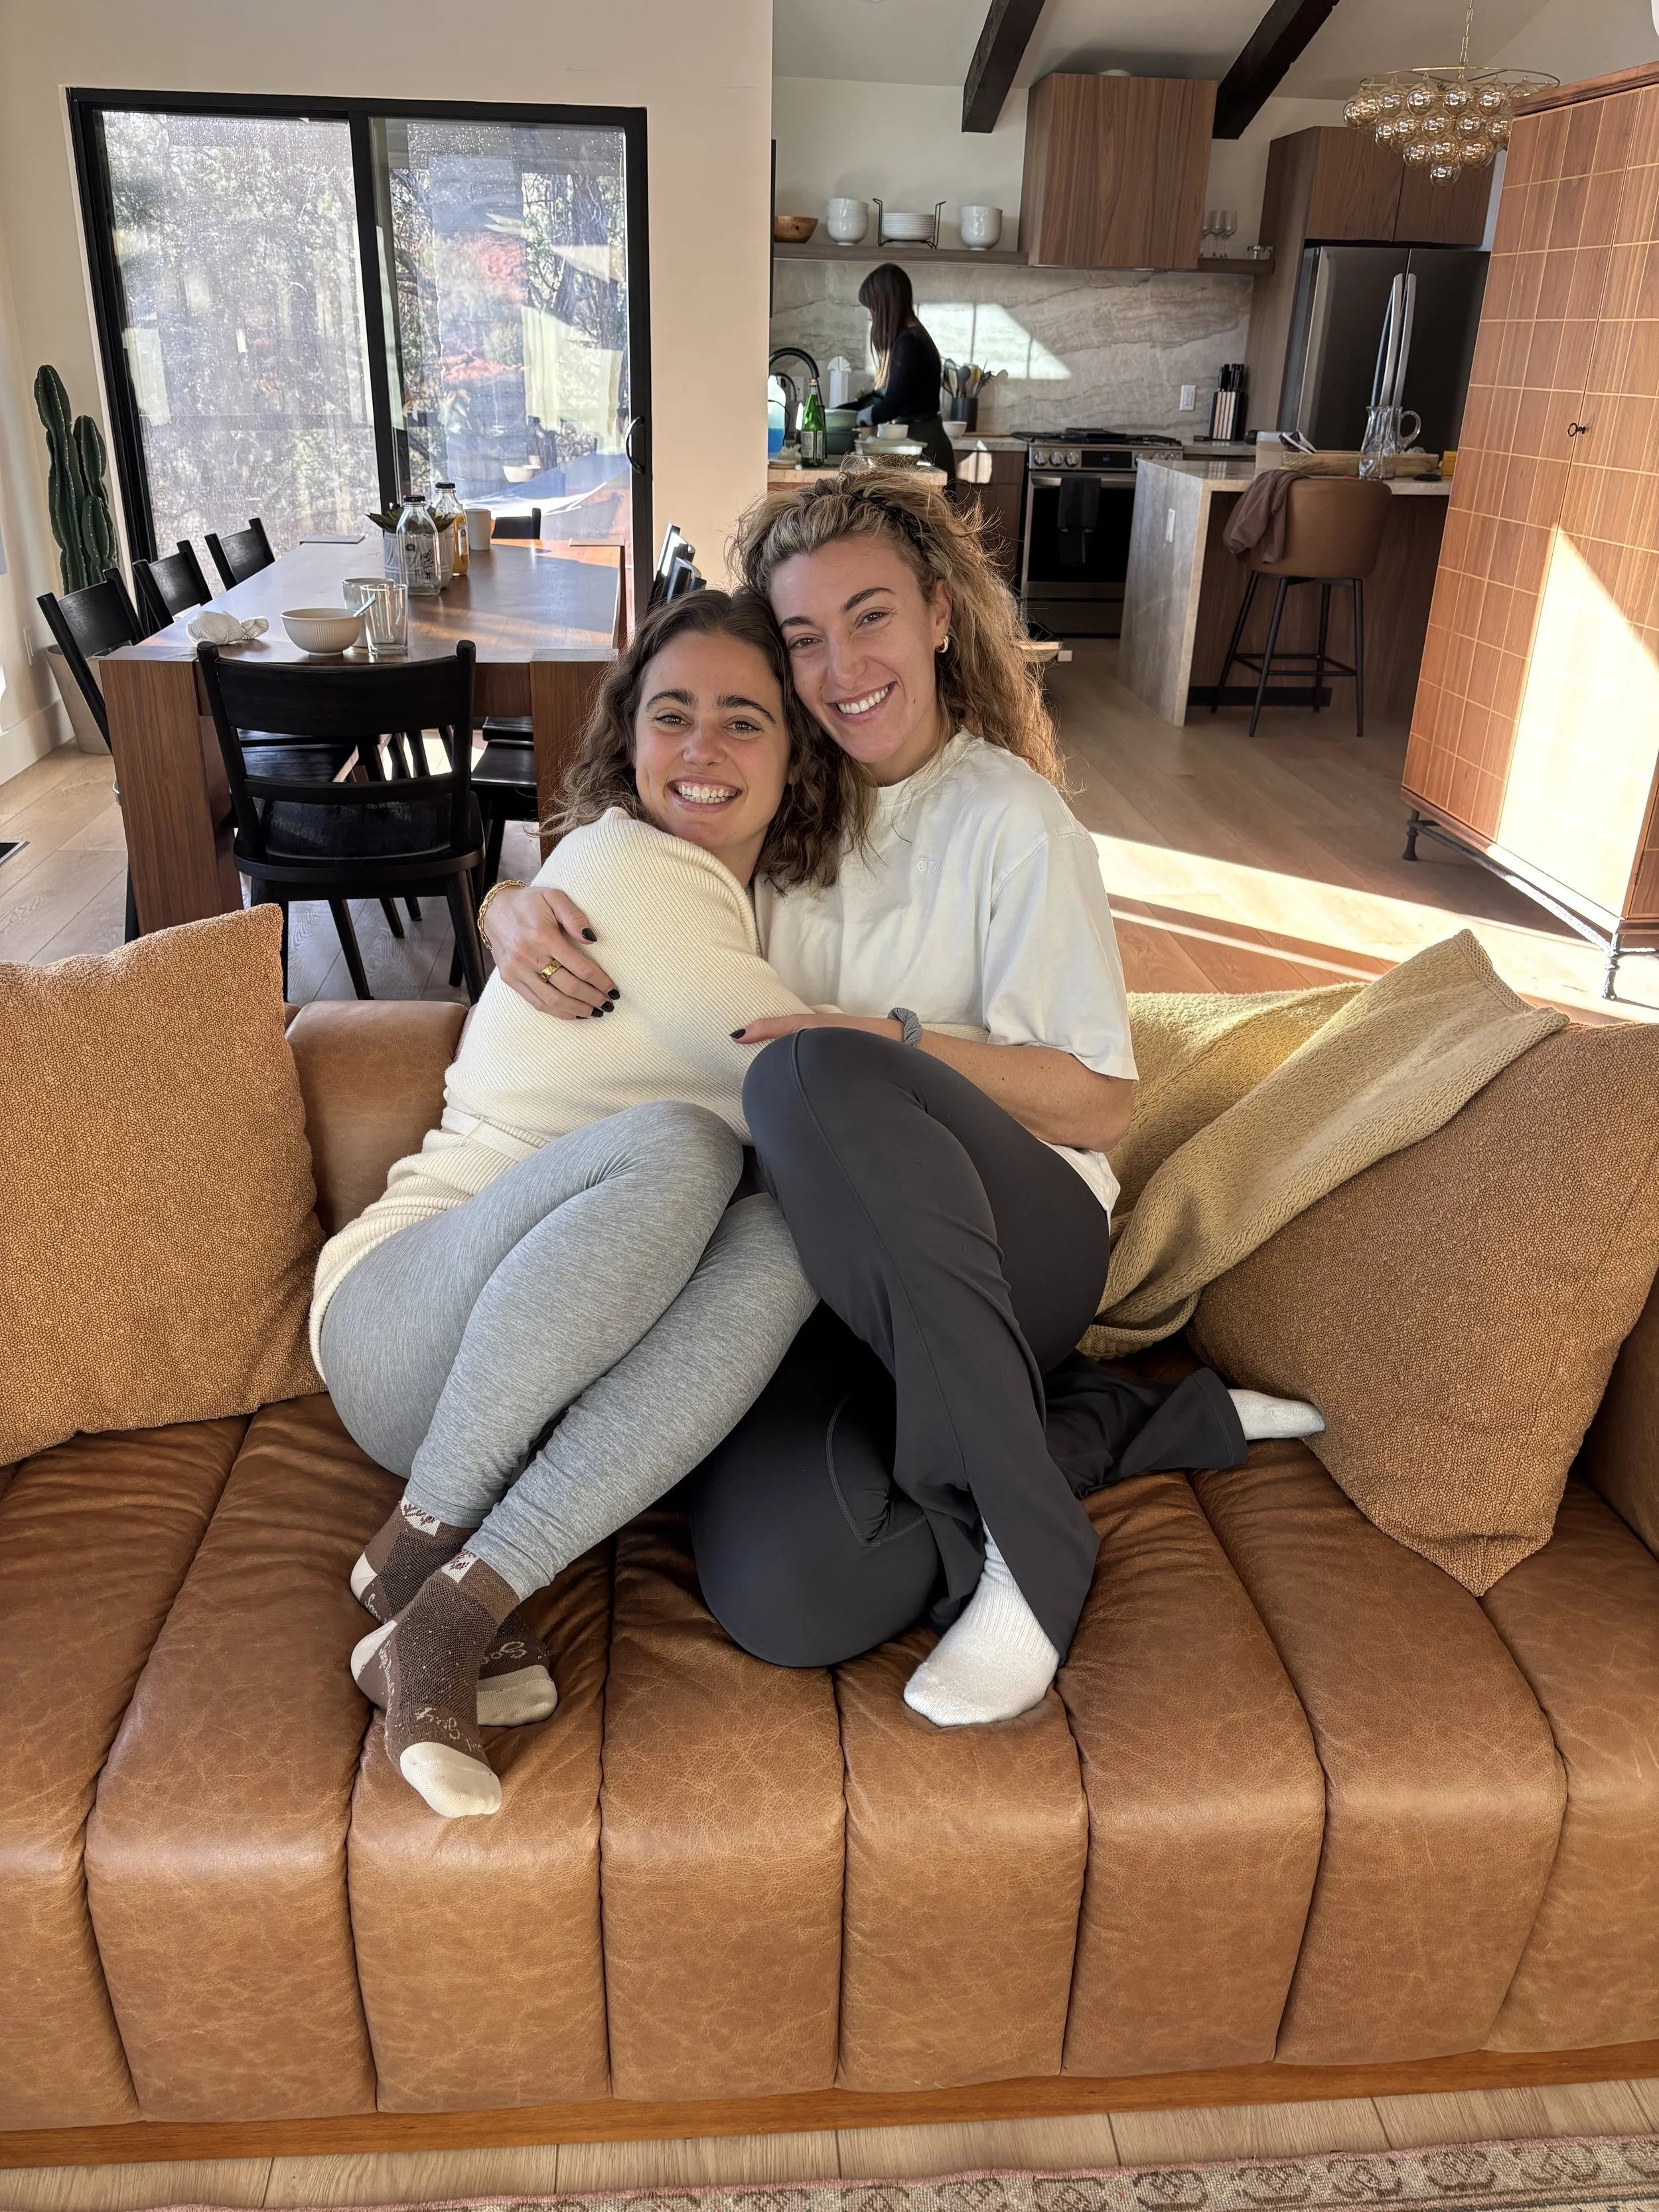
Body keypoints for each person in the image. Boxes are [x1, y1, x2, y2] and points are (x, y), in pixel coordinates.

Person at [481, 470, 1323, 1730]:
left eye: (869, 616)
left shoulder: (1013, 820)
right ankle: (1100, 1427)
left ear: (938, 612)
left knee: (812, 1070)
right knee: (791, 1595)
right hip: (826, 1272)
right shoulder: (774, 794)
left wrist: (889, 1045)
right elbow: (635, 865)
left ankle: (1036, 1557)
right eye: (804, 638)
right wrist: (508, 903)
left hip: (1018, 1242)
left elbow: (1099, 1105)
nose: (842, 668)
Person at [311, 589, 845, 1819]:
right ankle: (415, 1541)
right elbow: (808, 1086)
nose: (702, 748)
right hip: (402, 1321)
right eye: (671, 714)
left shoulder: (751, 909)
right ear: (629, 735)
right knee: (684, 1145)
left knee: (790, 1234)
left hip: (548, 1377)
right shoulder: (626, 865)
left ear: (796, 751)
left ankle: (453, 1609)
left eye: (744, 720)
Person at [852, 263, 957, 486]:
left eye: (872, 307)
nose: (870, 316)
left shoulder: (910, 344)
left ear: (886, 305)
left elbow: (891, 405)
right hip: (922, 441)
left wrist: (852, 419)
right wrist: (845, 411)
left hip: (924, 446)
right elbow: (883, 396)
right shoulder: (912, 339)